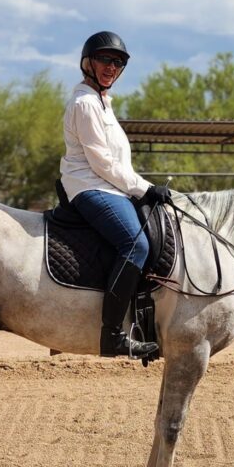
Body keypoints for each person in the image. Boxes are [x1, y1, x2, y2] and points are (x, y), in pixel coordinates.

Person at [59, 31, 170, 358]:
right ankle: (112, 335)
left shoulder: (102, 103)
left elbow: (117, 162)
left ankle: (144, 321)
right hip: (89, 186)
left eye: (118, 62)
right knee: (135, 243)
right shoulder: (84, 103)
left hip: (110, 186)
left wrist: (141, 188)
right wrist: (145, 188)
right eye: (105, 59)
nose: (112, 66)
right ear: (87, 63)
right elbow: (102, 163)